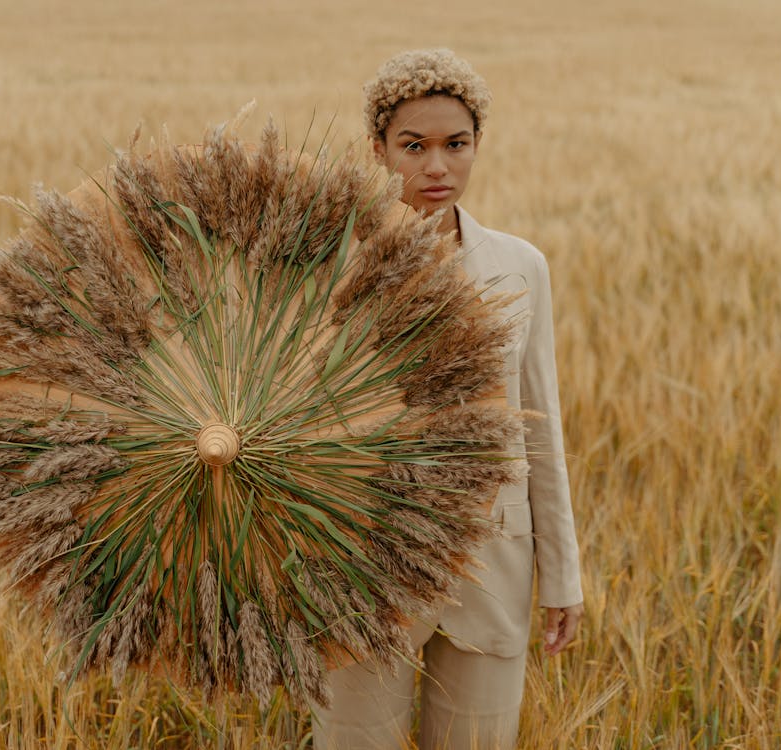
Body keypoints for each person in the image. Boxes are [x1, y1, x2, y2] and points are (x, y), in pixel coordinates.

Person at [310, 49, 585, 750]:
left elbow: (539, 427)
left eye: (454, 145)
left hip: (492, 563)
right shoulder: (327, 263)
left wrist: (560, 573)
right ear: (377, 149)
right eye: (414, 146)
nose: (436, 167)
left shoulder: (521, 266)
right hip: (363, 562)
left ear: (475, 146)